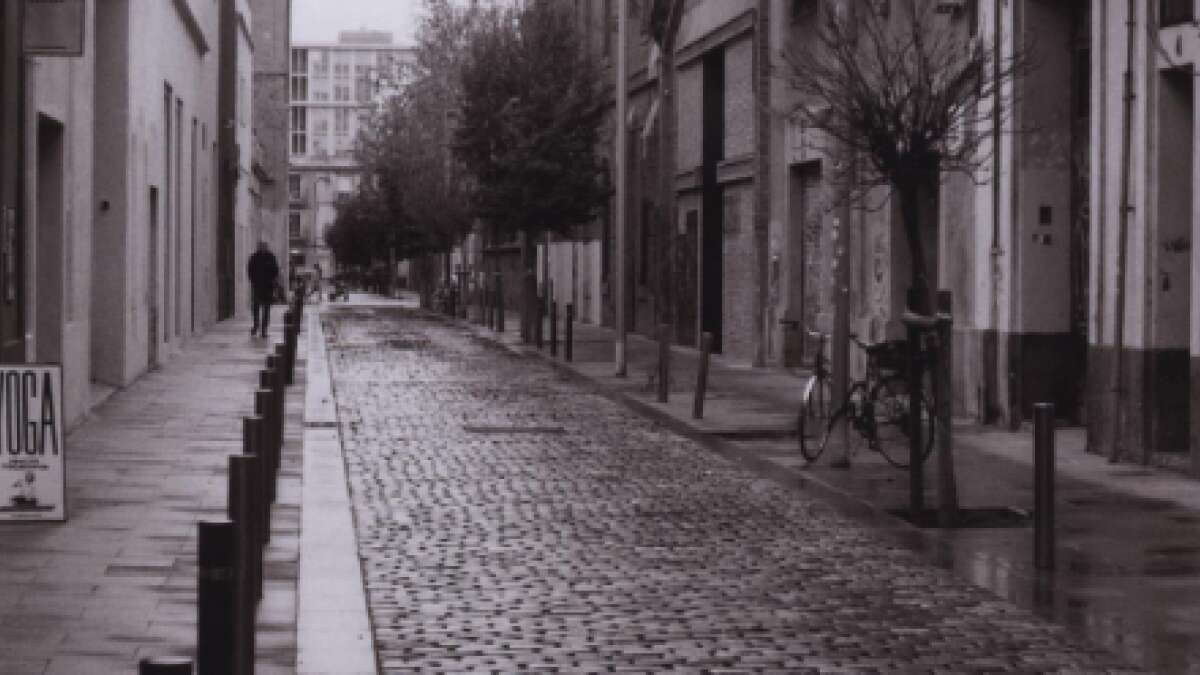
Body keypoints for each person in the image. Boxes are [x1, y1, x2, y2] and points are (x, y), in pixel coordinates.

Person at [247, 241, 280, 338]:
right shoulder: (254, 257)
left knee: (266, 309)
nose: (262, 247)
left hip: (268, 287)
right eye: (261, 246)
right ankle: (256, 325)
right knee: (256, 308)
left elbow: (275, 270)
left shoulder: (271, 257)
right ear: (258, 247)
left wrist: (272, 280)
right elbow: (250, 270)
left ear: (266, 247)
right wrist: (253, 281)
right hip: (257, 286)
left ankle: (264, 329)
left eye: (264, 246)